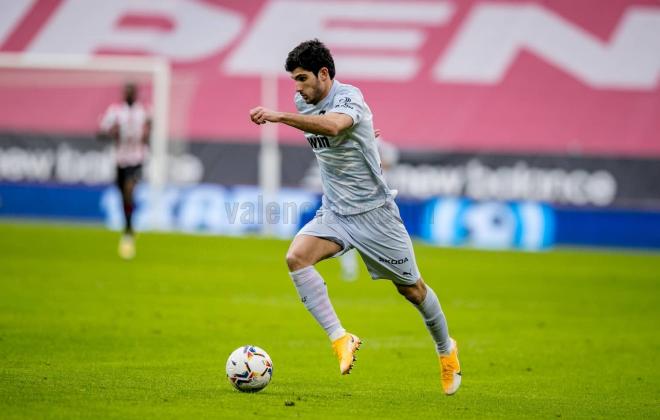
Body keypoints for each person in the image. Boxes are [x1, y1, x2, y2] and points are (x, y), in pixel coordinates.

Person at [249, 39, 461, 395]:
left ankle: (446, 351)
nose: (297, 89)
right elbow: (334, 136)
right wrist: (362, 137)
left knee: (412, 290)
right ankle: (341, 338)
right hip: (335, 211)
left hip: (375, 215)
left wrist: (279, 116)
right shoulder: (305, 101)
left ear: (324, 74)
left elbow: (333, 127)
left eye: (302, 79)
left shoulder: (350, 97)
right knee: (296, 257)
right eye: (293, 82)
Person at [98, 83, 151, 260]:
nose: (128, 95)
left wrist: (146, 134)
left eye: (131, 92)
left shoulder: (143, 112)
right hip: (120, 159)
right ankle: (129, 226)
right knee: (123, 195)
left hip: (137, 159)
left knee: (129, 189)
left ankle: (128, 231)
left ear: (135, 94)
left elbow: (149, 130)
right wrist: (112, 132)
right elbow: (101, 132)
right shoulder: (115, 112)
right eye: (126, 92)